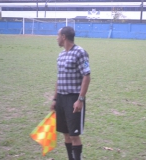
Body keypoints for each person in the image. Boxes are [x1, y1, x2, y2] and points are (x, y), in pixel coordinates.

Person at [51, 26, 91, 160]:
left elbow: (87, 75)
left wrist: (80, 99)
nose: (56, 38)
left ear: (64, 37)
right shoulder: (60, 55)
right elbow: (59, 78)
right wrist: (55, 99)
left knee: (74, 135)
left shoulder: (80, 52)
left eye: (58, 35)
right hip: (61, 98)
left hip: (73, 98)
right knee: (66, 133)